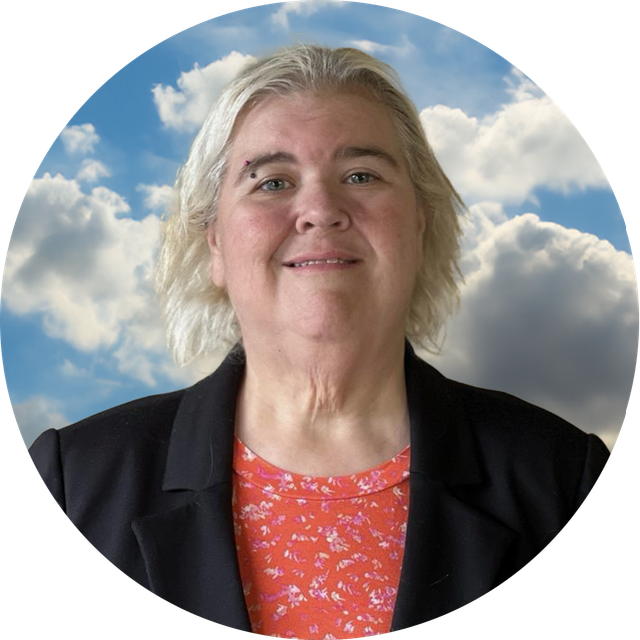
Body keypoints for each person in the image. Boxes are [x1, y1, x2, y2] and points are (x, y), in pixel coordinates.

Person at [28, 45, 609, 637]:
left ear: (419, 223)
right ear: (215, 244)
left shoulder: (565, 480)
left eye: (361, 175)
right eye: (272, 182)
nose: (320, 210)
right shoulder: (73, 484)